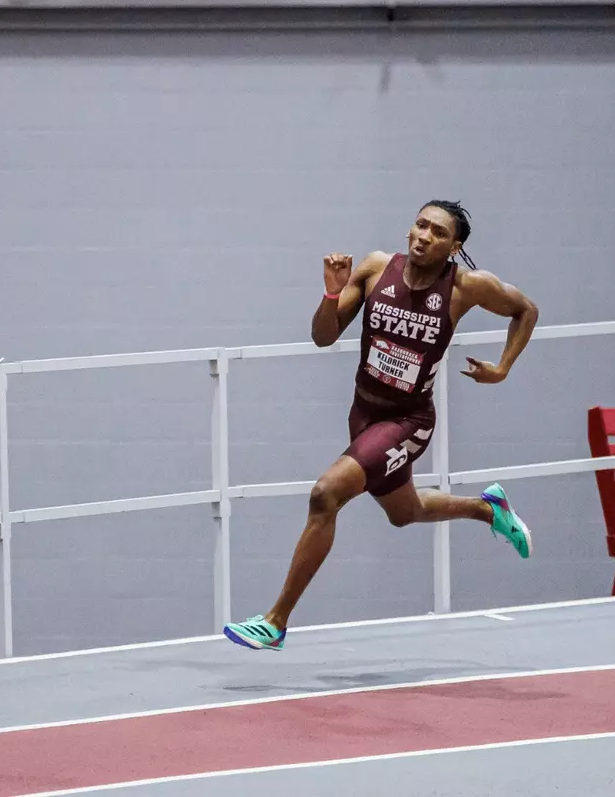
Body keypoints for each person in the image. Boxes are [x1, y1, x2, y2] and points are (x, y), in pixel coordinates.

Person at [222, 201, 539, 651]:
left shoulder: (466, 287)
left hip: (408, 421)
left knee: (325, 494)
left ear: (455, 246)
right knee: (403, 514)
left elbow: (526, 310)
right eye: (420, 224)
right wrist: (332, 293)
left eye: (437, 232)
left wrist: (503, 368)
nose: (423, 235)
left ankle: (276, 621)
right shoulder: (375, 269)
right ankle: (488, 509)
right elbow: (323, 336)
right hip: (364, 414)